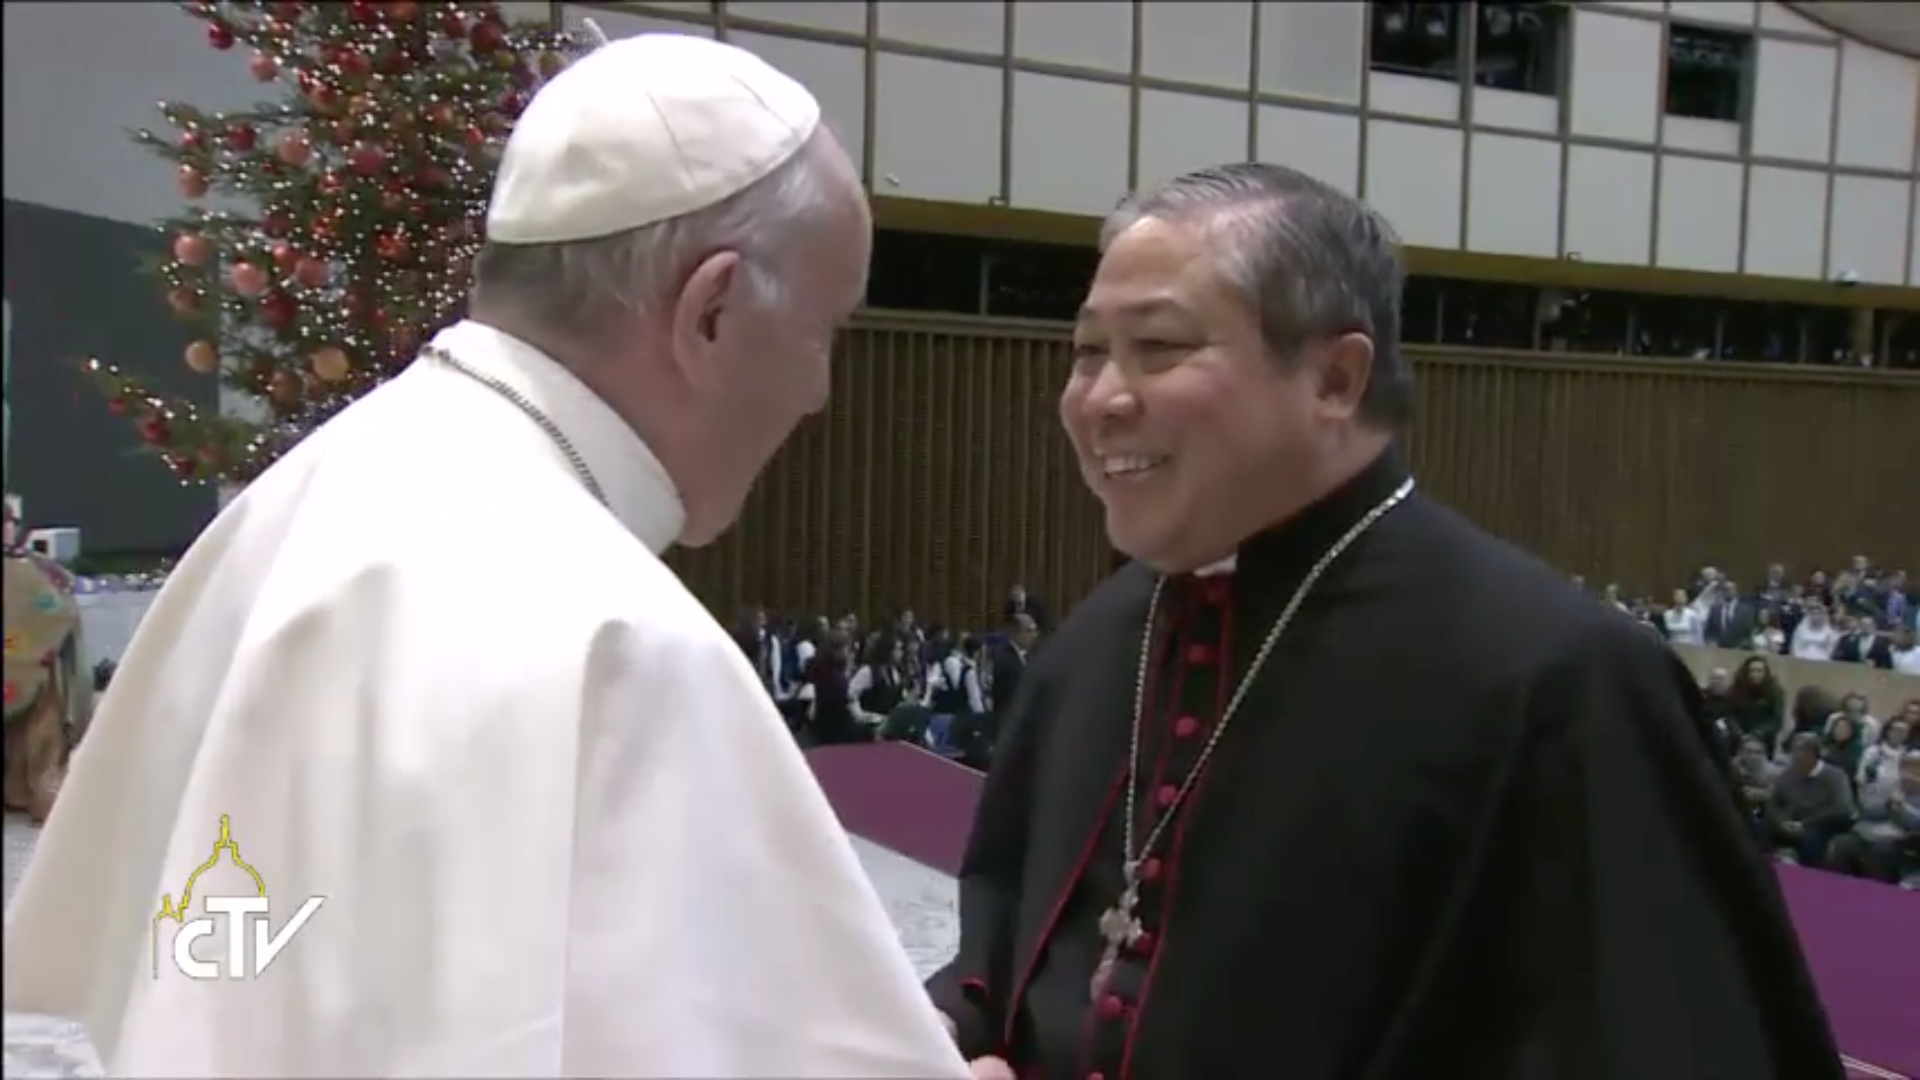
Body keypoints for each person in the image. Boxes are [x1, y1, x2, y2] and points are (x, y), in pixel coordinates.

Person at [3, 33, 966, 1080]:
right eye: (825, 332)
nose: (819, 393)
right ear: (712, 313)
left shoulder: (298, 497)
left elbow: (199, 966)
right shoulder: (616, 638)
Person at [927, 163, 1841, 1079]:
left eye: (1157, 346)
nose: (1100, 398)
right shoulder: (1097, 642)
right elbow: (1007, 959)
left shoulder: (1559, 682)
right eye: (1088, 351)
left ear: (1334, 378)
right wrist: (957, 1045)